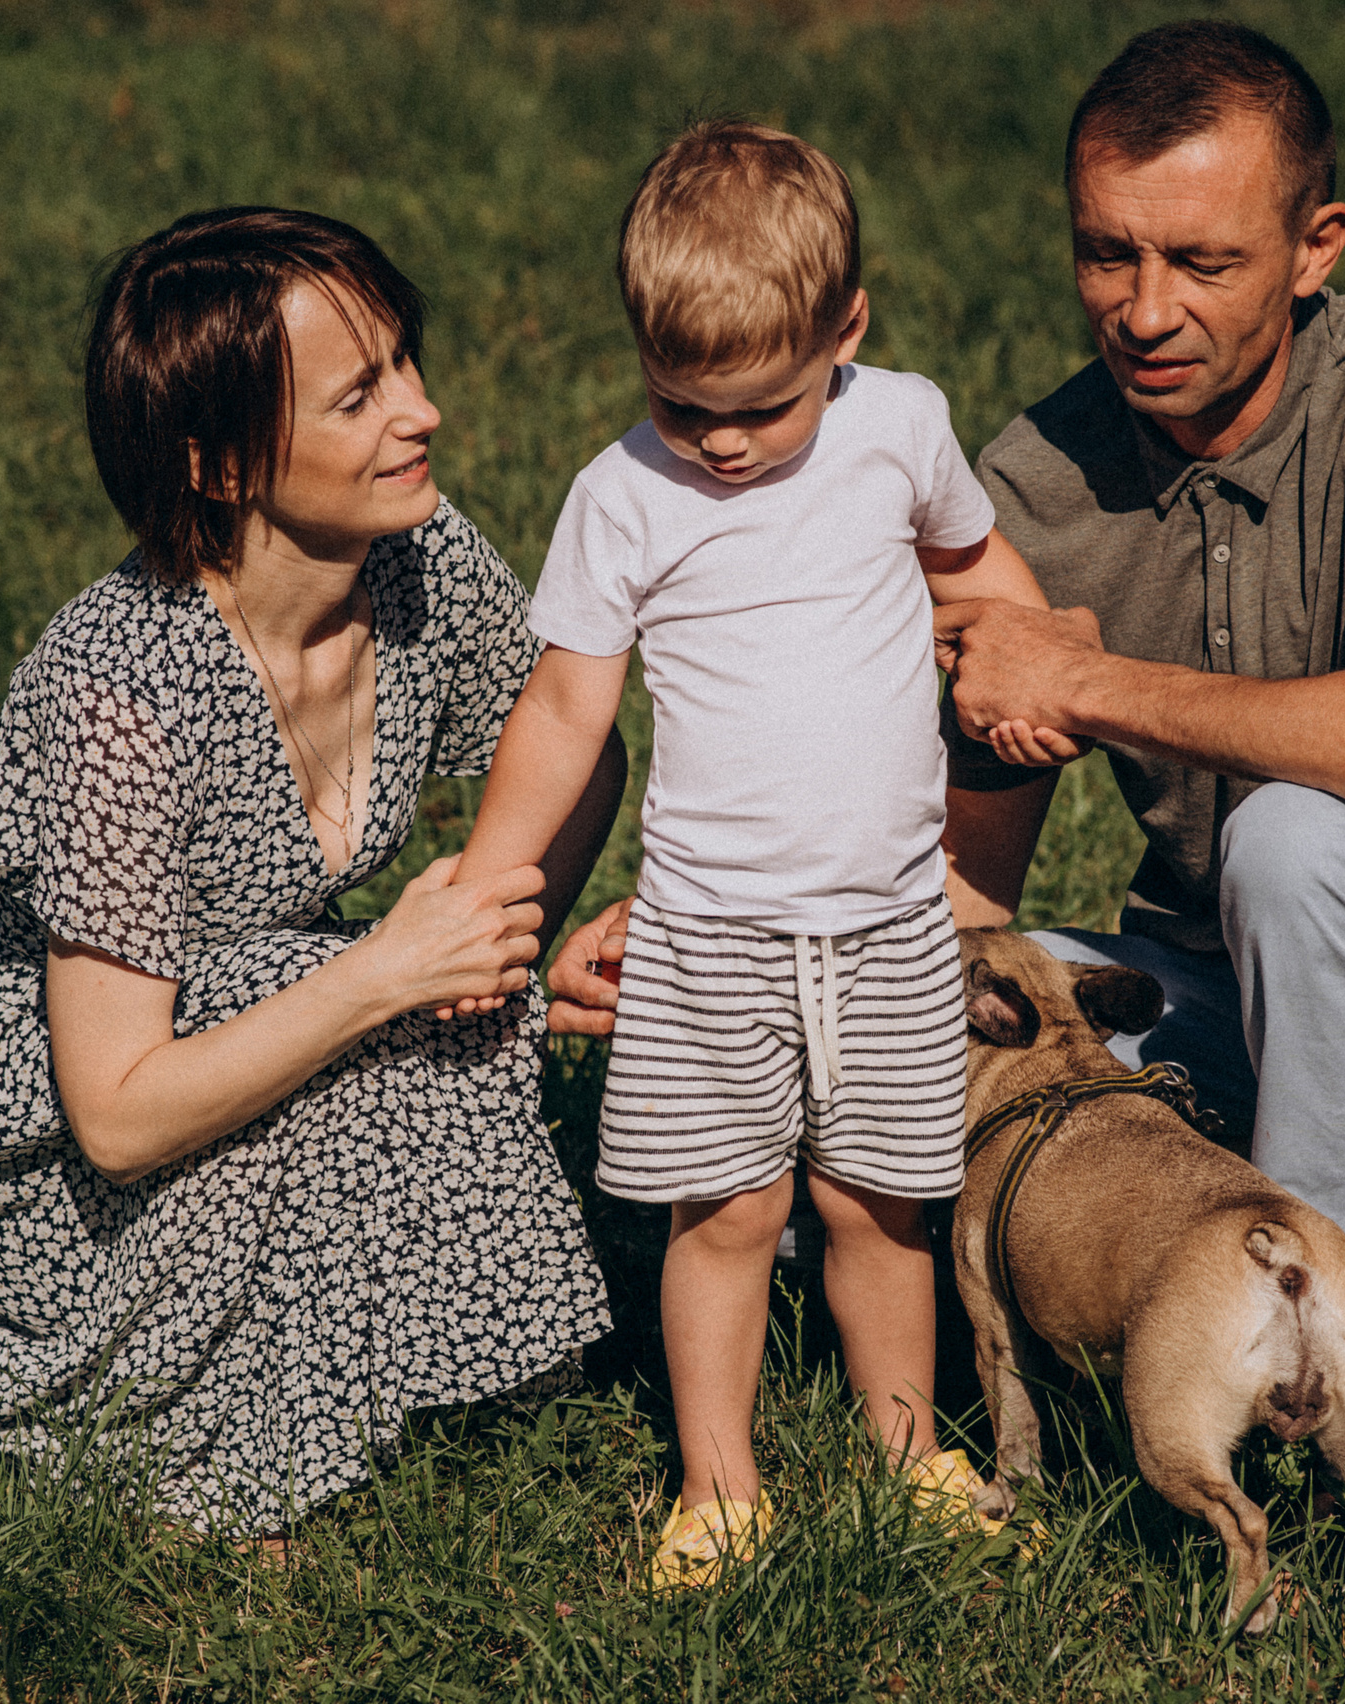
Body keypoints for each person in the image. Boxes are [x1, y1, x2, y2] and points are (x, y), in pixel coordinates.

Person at [557, 21, 1345, 1542]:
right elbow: (965, 893)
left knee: (1300, 843)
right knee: (851, 1104)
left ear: (1314, 246)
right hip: (1204, 994)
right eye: (1105, 256)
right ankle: (899, 1383)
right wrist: (718, 942)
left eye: (1201, 260)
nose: (1144, 310)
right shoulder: (1038, 480)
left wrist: (1083, 675)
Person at [0, 207, 621, 1541]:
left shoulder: (419, 555)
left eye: (406, 361)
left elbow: (572, 744)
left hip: (222, 998)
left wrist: (506, 935)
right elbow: (113, 1112)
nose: (426, 412)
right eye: (363, 393)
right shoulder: (117, 694)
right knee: (338, 1006)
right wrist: (390, 969)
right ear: (222, 463)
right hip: (16, 1124)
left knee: (394, 1015)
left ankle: (421, 1390)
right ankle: (205, 1467)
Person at [454, 121, 1057, 1588]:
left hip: (893, 927)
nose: (721, 441)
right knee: (725, 1214)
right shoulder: (624, 496)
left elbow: (977, 573)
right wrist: (487, 888)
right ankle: (717, 1486)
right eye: (681, 405)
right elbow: (565, 707)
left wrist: (1035, 669)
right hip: (710, 935)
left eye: (762, 408)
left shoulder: (899, 426)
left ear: (845, 333)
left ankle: (906, 1449)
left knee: (881, 1206)